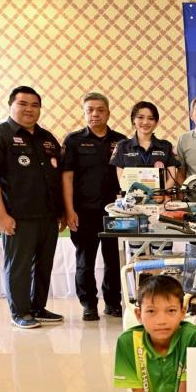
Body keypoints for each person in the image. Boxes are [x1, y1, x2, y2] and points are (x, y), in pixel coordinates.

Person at [0, 86, 64, 329]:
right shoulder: (2, 135)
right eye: (23, 104)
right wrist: (1, 216)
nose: (29, 109)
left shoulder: (47, 138)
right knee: (19, 267)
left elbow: (57, 177)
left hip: (48, 215)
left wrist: (61, 212)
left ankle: (38, 307)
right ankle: (20, 312)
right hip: (18, 216)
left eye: (35, 105)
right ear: (11, 105)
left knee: (44, 265)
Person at [62, 92, 126, 321]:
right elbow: (67, 177)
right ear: (84, 112)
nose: (95, 114)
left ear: (108, 113)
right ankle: (88, 304)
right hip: (83, 212)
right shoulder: (73, 140)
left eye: (100, 110)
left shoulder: (121, 141)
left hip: (115, 213)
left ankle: (112, 302)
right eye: (90, 109)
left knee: (114, 260)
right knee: (85, 261)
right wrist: (69, 210)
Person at [110, 101, 180, 192]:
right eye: (140, 117)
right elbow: (122, 181)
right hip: (132, 198)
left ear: (156, 122)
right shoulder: (122, 146)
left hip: (160, 198)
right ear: (133, 120)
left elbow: (171, 179)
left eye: (151, 118)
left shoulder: (166, 146)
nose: (145, 122)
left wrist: (159, 195)